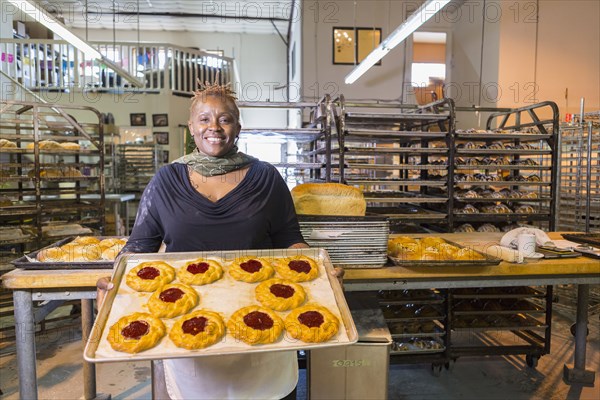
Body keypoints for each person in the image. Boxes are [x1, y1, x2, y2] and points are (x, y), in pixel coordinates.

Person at [98, 81, 341, 399]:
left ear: (238, 127)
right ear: (191, 127)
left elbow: (289, 239)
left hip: (264, 322)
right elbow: (138, 247)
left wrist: (322, 272)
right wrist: (112, 282)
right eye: (205, 118)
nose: (214, 127)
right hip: (187, 323)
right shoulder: (165, 180)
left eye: (224, 119)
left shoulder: (266, 177)